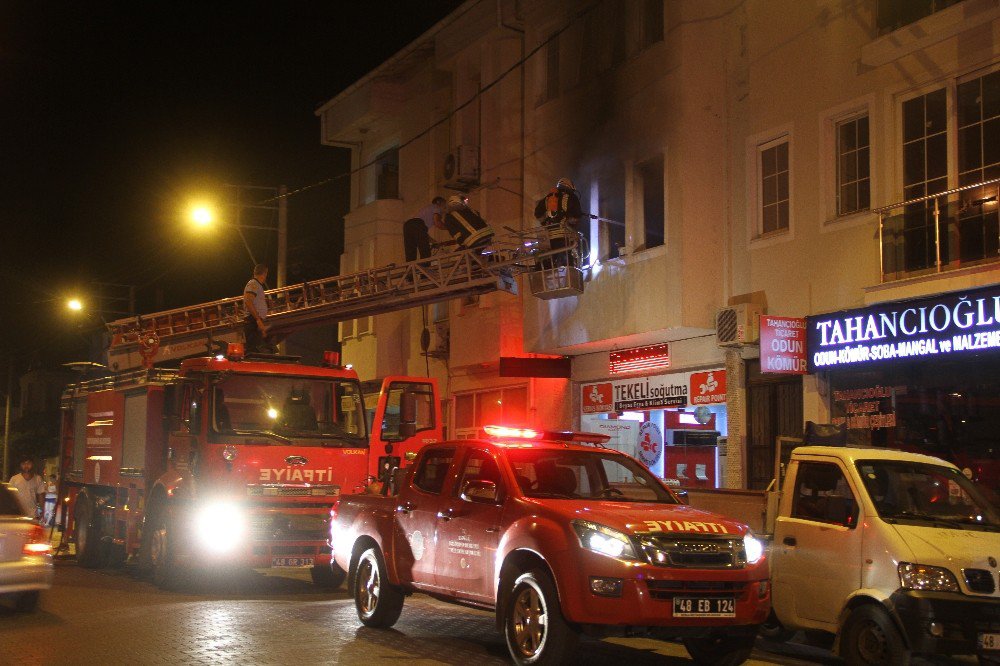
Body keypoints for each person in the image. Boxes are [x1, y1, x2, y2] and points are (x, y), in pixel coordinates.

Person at [534, 177, 583, 266]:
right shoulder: (572, 197)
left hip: (546, 238)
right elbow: (576, 216)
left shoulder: (547, 199)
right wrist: (569, 224)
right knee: (566, 265)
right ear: (570, 187)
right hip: (564, 237)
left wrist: (545, 223)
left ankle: (542, 273)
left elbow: (538, 215)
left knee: (546, 264)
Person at [403, 196, 446, 261]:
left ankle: (410, 269)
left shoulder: (426, 210)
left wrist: (434, 242)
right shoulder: (436, 207)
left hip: (407, 225)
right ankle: (425, 268)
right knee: (425, 250)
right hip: (417, 224)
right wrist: (450, 228)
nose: (444, 209)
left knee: (410, 251)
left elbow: (423, 234)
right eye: (444, 205)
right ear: (439, 202)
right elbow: (438, 223)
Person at [243, 263, 273, 353]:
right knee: (254, 351)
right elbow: (248, 301)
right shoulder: (254, 284)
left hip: (255, 321)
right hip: (253, 321)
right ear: (264, 273)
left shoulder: (256, 285)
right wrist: (258, 320)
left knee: (260, 349)